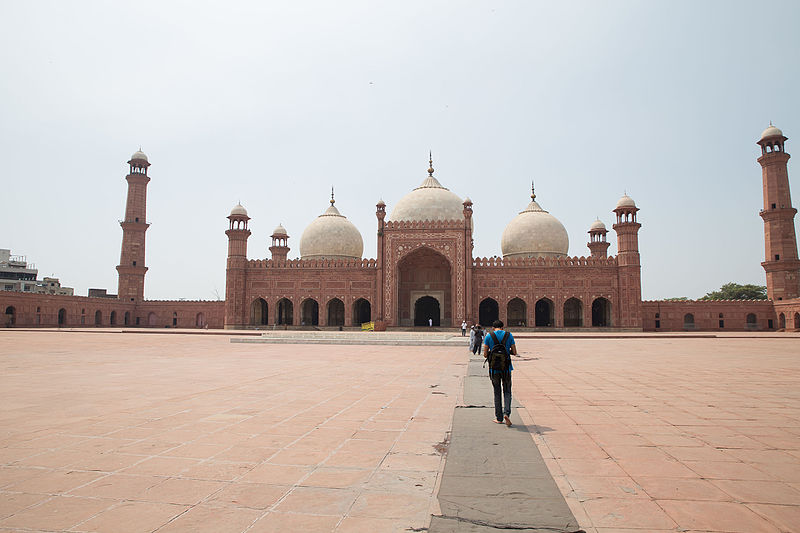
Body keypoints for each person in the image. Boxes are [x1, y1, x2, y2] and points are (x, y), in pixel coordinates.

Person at [483, 319, 516, 427]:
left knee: (497, 392)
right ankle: (507, 413)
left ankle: (499, 418)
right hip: (506, 368)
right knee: (507, 391)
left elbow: (484, 354)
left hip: (494, 369)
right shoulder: (509, 335)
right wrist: (507, 351)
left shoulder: (489, 336)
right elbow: (515, 352)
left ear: (493, 328)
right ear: (502, 327)